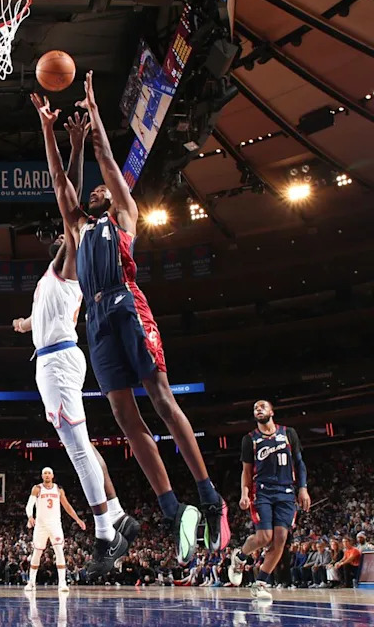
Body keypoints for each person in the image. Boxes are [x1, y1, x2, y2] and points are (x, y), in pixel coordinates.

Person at [32, 74, 229, 566]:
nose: (97, 190)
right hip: (95, 320)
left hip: (126, 303)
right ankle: (169, 508)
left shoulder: (123, 215)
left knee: (161, 399)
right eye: (93, 190)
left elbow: (105, 162)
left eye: (102, 187)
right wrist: (49, 131)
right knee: (123, 417)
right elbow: (61, 182)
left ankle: (209, 497)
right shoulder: (77, 227)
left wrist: (95, 114)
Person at [13, 108, 138, 577]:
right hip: (55, 357)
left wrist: (65, 138)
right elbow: (65, 188)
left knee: (78, 449)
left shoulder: (73, 259)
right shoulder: (53, 281)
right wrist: (26, 326)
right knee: (82, 443)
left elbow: (61, 183)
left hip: (61, 363)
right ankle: (120, 512)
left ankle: (107, 536)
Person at [228, 400, 310, 601]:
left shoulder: (288, 433)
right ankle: (239, 558)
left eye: (262, 406)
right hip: (262, 492)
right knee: (264, 537)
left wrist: (303, 488)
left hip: (287, 492)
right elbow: (246, 471)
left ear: (272, 411)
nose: (258, 409)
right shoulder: (250, 439)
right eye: (255, 408)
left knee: (281, 539)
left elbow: (299, 463)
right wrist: (245, 494)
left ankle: (261, 583)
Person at [24, 467, 85, 592]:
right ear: (42, 476)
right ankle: (31, 582)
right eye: (45, 473)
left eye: (49, 473)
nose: (47, 475)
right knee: (37, 553)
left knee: (59, 551)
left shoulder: (58, 489)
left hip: (55, 524)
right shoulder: (37, 488)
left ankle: (62, 583)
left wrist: (78, 519)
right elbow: (29, 504)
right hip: (41, 525)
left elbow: (67, 506)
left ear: (52, 476)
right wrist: (30, 516)